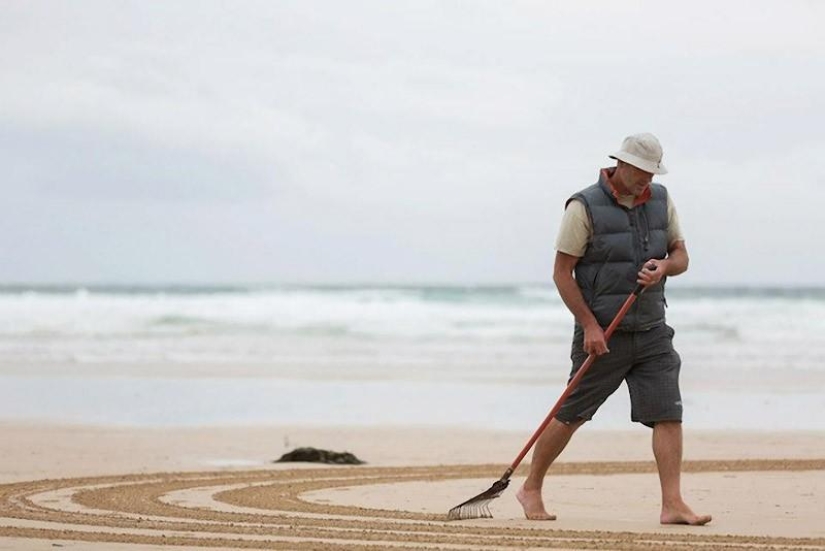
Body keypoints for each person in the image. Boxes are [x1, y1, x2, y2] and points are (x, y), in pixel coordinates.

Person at [516, 133, 712, 526]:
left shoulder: (661, 199)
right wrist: (589, 326)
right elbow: (561, 273)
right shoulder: (583, 206)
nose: (647, 180)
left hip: (653, 328)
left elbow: (681, 255)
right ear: (620, 164)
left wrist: (665, 267)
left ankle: (672, 503)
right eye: (641, 172)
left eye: (653, 173)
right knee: (571, 414)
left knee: (667, 413)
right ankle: (531, 487)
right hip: (603, 334)